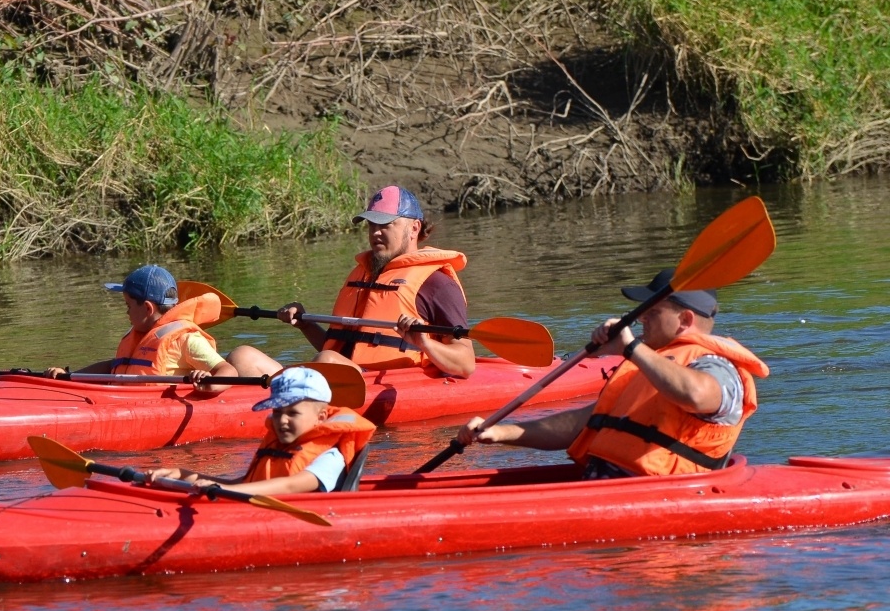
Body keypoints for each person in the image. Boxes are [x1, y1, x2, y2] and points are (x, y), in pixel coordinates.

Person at [454, 269, 769, 477]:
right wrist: (501, 433)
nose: (640, 319)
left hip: (662, 495)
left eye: (652, 313)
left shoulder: (717, 367)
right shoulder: (647, 364)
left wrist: (631, 349)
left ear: (685, 320)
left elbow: (697, 395)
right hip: (603, 482)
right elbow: (580, 424)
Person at [226, 185, 475, 379]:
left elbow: (465, 363)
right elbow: (341, 348)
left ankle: (292, 404)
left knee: (327, 361)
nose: (375, 232)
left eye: (385, 224)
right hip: (341, 373)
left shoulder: (436, 284)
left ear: (414, 228)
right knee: (242, 356)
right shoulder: (364, 275)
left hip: (389, 383)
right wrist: (305, 325)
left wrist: (423, 343)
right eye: (371, 224)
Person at [150, 366, 376, 496]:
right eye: (277, 412)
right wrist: (186, 475)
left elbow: (291, 485)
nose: (282, 420)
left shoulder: (331, 456)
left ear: (321, 417)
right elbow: (246, 484)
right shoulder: (278, 444)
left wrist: (222, 490)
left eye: (293, 413)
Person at [46, 264, 239, 384]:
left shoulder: (186, 340)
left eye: (128, 306)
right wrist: (69, 377)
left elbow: (228, 371)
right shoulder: (141, 333)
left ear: (147, 308)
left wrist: (210, 384)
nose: (126, 312)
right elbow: (113, 367)